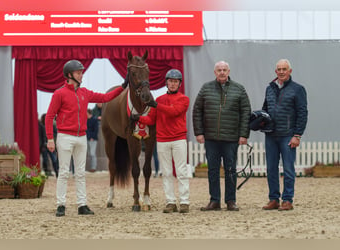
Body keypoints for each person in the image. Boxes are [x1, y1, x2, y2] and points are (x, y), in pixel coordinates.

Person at [45, 59, 127, 217]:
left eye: (82, 72)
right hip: (64, 137)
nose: (81, 75)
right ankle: (60, 205)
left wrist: (122, 87)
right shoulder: (59, 94)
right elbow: (49, 117)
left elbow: (105, 97)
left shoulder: (85, 93)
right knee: (63, 172)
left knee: (81, 173)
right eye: (78, 72)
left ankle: (82, 205)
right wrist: (50, 138)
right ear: (69, 75)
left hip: (81, 137)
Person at [193, 61, 251, 211]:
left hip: (231, 138)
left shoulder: (239, 89)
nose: (222, 72)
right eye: (219, 70)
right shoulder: (206, 88)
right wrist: (199, 132)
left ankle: (231, 201)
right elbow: (197, 110)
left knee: (231, 169)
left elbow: (246, 113)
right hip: (211, 138)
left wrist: (244, 134)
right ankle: (215, 201)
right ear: (215, 72)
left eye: (224, 70)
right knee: (212, 170)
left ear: (229, 71)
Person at [130, 69, 190, 213]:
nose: (173, 84)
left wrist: (155, 105)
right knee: (166, 172)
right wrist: (138, 117)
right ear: (167, 83)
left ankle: (184, 201)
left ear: (179, 84)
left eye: (176, 81)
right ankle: (170, 202)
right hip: (163, 140)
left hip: (178, 139)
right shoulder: (159, 100)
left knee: (181, 172)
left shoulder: (184, 99)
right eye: (171, 81)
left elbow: (173, 112)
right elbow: (152, 119)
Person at [262, 59, 308, 211]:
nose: (281, 72)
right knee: (271, 169)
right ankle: (273, 199)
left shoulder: (298, 89)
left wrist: (297, 135)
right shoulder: (270, 88)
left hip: (288, 135)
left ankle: (287, 200)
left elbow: (302, 113)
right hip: (271, 136)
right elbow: (265, 110)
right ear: (276, 72)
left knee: (288, 169)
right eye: (279, 69)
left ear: (290, 71)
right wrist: (259, 120)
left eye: (284, 69)